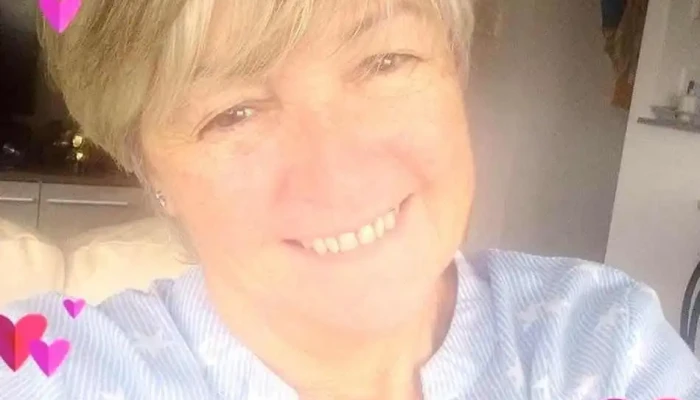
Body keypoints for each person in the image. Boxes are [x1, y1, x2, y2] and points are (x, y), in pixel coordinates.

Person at [1, 0, 699, 398]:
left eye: (384, 61)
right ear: (147, 166)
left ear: (453, 66)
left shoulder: (600, 341)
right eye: (232, 114)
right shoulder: (50, 372)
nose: (338, 174)